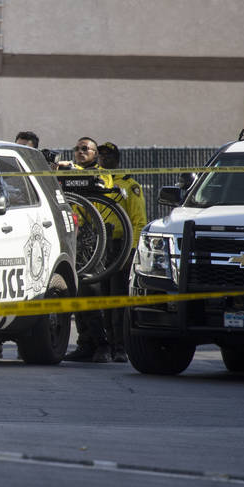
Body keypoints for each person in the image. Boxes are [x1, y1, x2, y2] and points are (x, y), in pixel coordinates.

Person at [0, 131, 42, 360]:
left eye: (24, 146)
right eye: (17, 145)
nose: (17, 149)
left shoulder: (31, 174)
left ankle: (30, 346)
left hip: (27, 241)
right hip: (7, 241)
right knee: (4, 289)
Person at [61, 137, 115, 363]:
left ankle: (104, 346)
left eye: (86, 149)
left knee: (92, 292)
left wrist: (71, 168)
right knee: (77, 291)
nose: (80, 152)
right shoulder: (72, 175)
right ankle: (85, 343)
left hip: (96, 238)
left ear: (95, 154)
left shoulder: (102, 174)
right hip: (75, 239)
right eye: (77, 149)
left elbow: (103, 185)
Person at [97, 142, 147, 362]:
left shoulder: (129, 185)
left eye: (108, 156)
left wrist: (132, 251)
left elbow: (139, 221)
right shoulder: (98, 184)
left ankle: (120, 347)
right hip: (101, 246)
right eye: (101, 156)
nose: (104, 159)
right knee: (102, 300)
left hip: (120, 245)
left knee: (117, 299)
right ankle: (106, 345)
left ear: (117, 160)